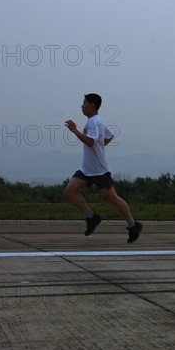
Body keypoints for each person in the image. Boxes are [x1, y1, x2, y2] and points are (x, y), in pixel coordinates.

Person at [63, 93, 142, 243]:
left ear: (92, 105)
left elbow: (91, 142)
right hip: (86, 169)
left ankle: (133, 225)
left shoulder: (94, 122)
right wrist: (100, 145)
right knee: (69, 191)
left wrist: (75, 130)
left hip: (99, 170)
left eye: (84, 103)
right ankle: (91, 217)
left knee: (112, 198)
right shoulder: (96, 121)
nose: (82, 106)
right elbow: (109, 135)